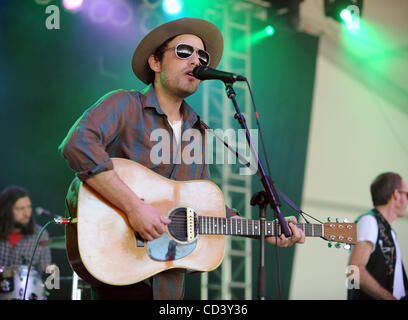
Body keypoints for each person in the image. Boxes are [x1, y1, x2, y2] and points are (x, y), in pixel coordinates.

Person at [59, 17, 305, 300]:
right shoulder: (125, 105)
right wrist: (134, 207)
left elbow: (203, 205)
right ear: (155, 62)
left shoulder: (198, 130)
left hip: (169, 284)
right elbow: (77, 143)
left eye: (202, 56)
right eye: (184, 52)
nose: (196, 61)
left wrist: (267, 230)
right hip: (121, 266)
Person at [348, 172, 408, 300]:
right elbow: (355, 270)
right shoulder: (369, 221)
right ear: (396, 194)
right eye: (407, 194)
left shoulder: (389, 232)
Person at [0, 185, 51, 274]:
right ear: (7, 210)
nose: (27, 214)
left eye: (29, 207)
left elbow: (45, 274)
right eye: (20, 209)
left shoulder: (40, 234)